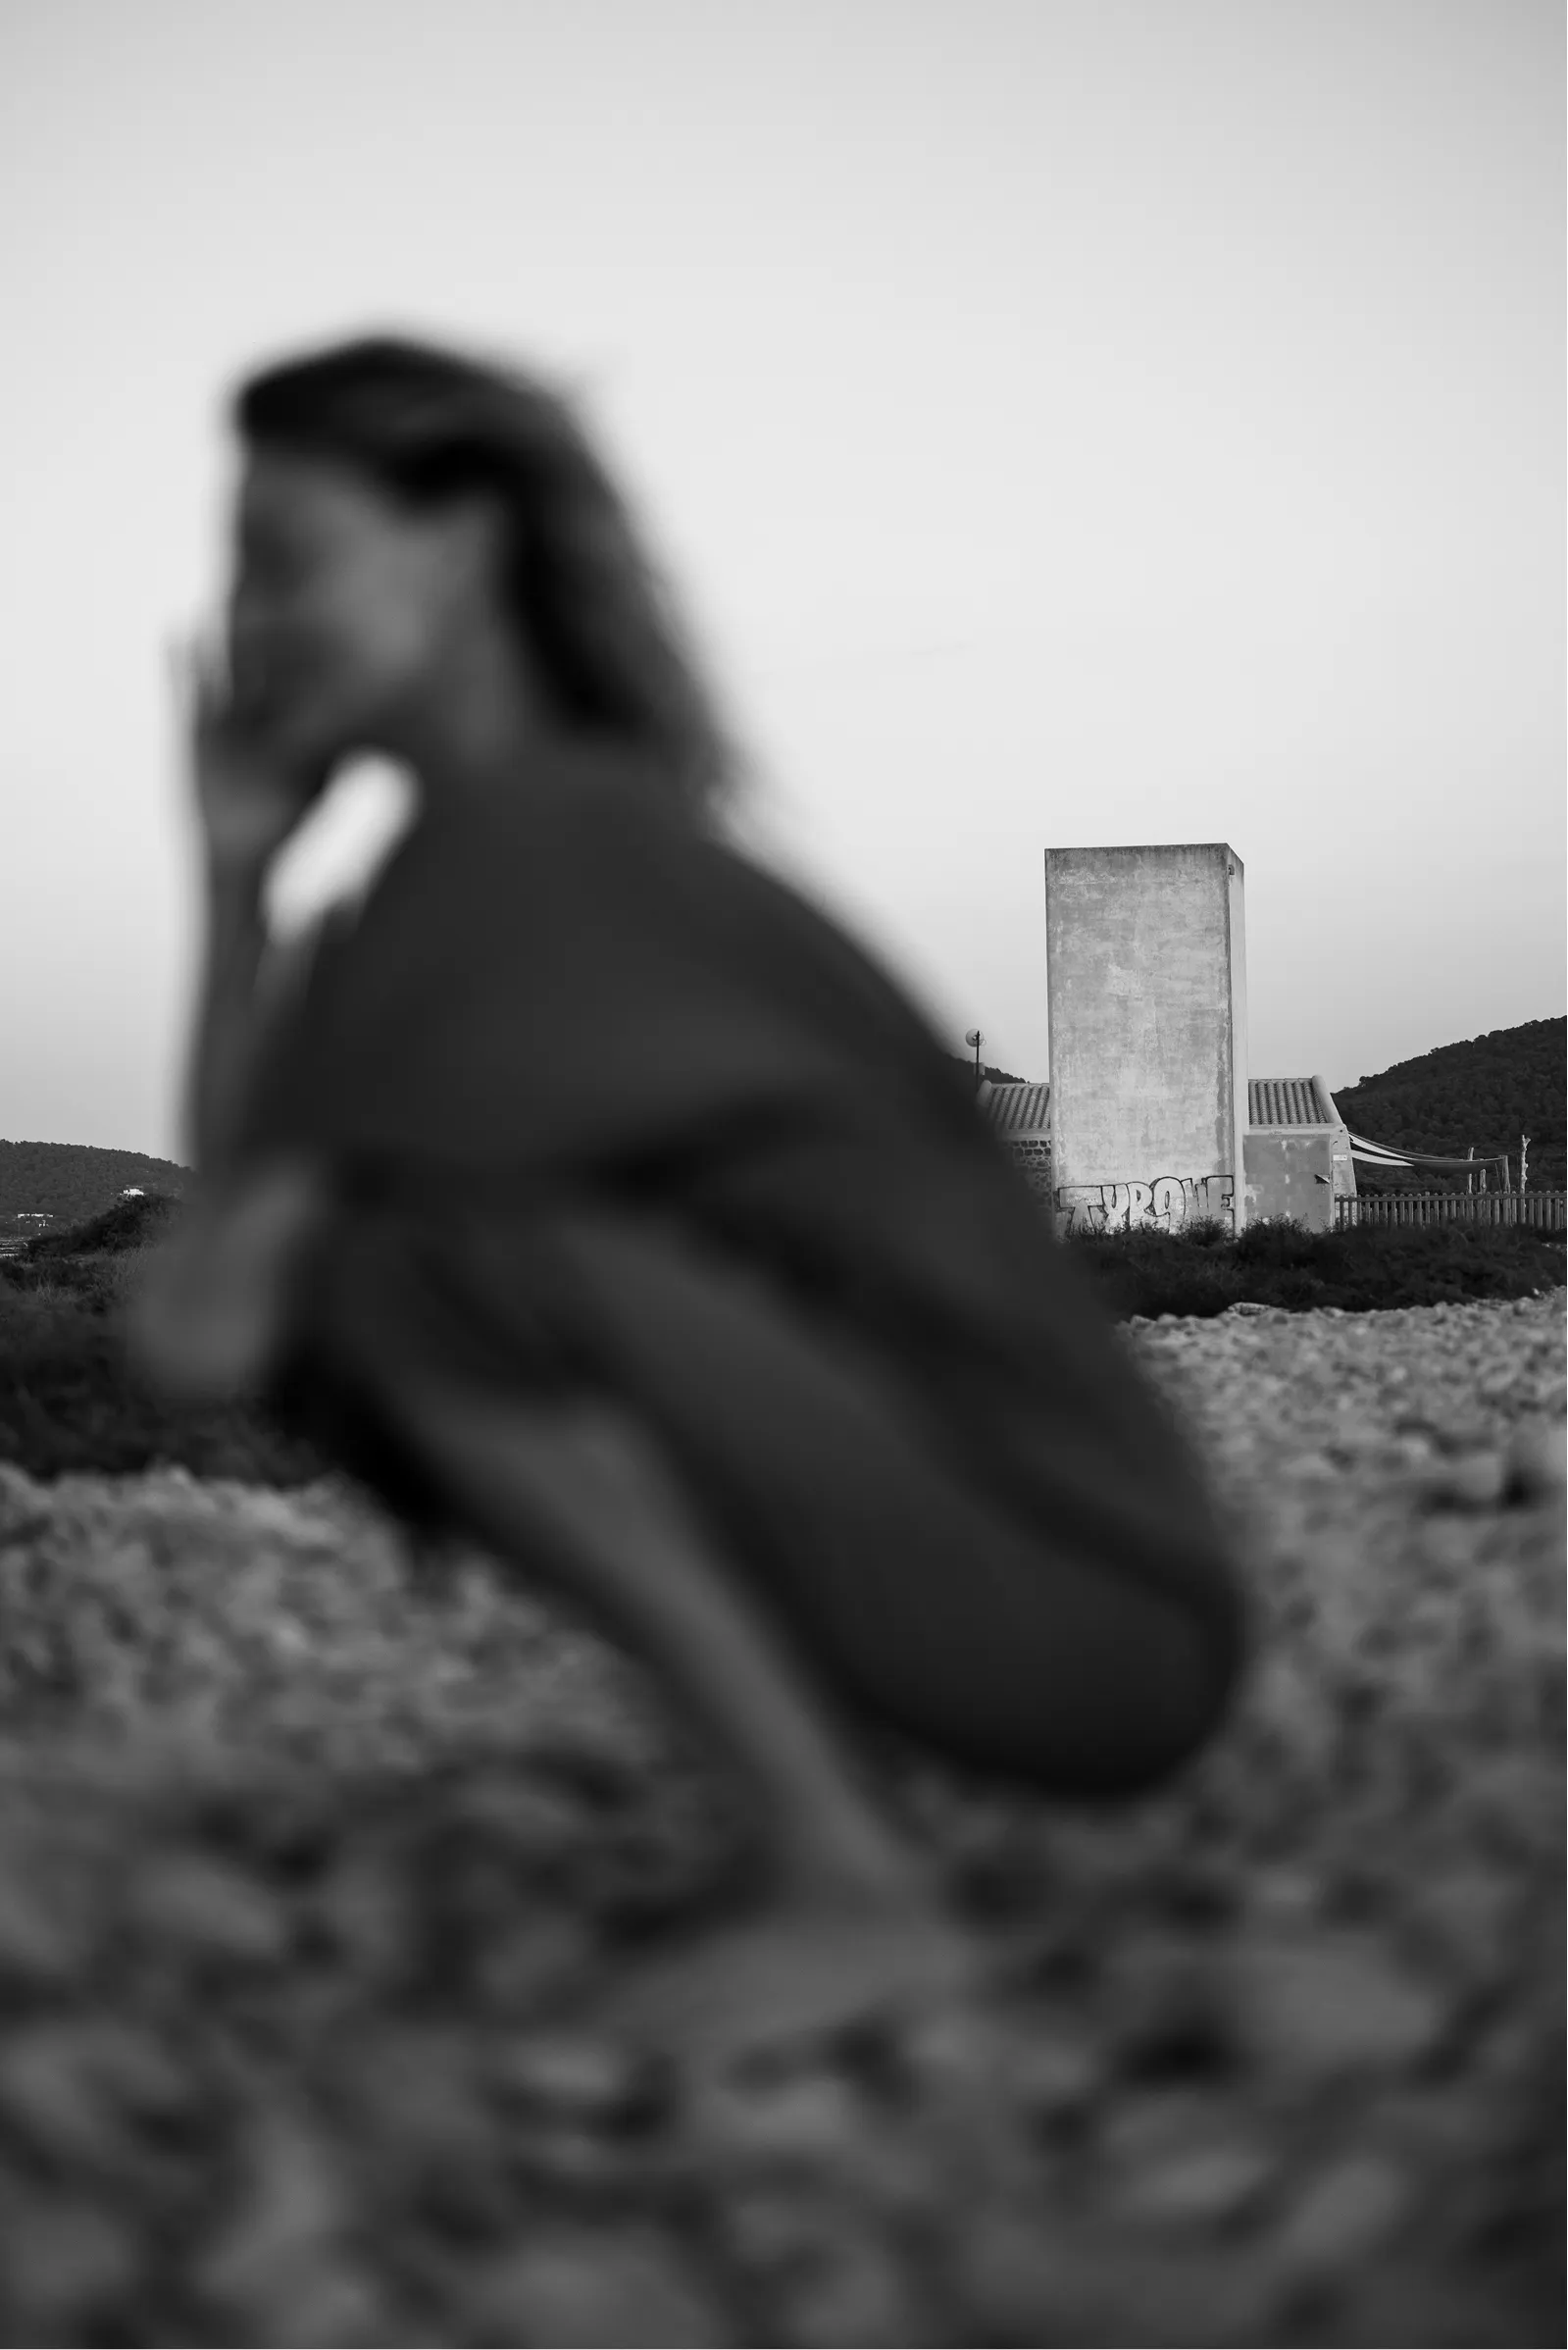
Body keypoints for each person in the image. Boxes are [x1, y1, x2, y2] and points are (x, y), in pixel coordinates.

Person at [129, 333, 1248, 2063]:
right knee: (390, 1272)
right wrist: (232, 880)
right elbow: (238, 1226)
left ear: (459, 547)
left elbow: (206, 1316)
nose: (243, 622)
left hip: (1095, 1615)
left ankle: (846, 1878)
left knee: (411, 1279)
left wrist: (234, 917)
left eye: (284, 557)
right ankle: (824, 1795)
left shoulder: (544, 856)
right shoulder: (487, 860)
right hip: (1078, 1589)